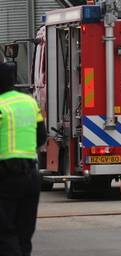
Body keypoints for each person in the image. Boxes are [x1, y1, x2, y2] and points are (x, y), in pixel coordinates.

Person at [0, 63, 45, 256]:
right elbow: (41, 137)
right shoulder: (29, 102)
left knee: (5, 232)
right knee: (24, 234)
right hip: (31, 177)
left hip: (5, 176)